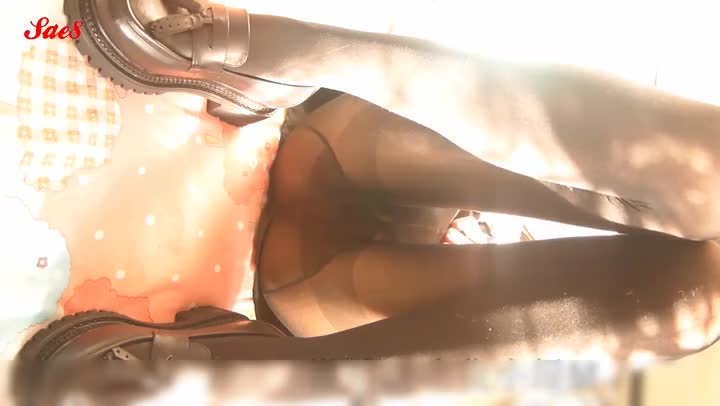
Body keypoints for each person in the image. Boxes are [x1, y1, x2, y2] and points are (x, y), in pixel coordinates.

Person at [15, 0, 720, 363]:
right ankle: (281, 56)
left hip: (332, 287)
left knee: (700, 301)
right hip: (365, 166)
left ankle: (259, 381)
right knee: (707, 214)